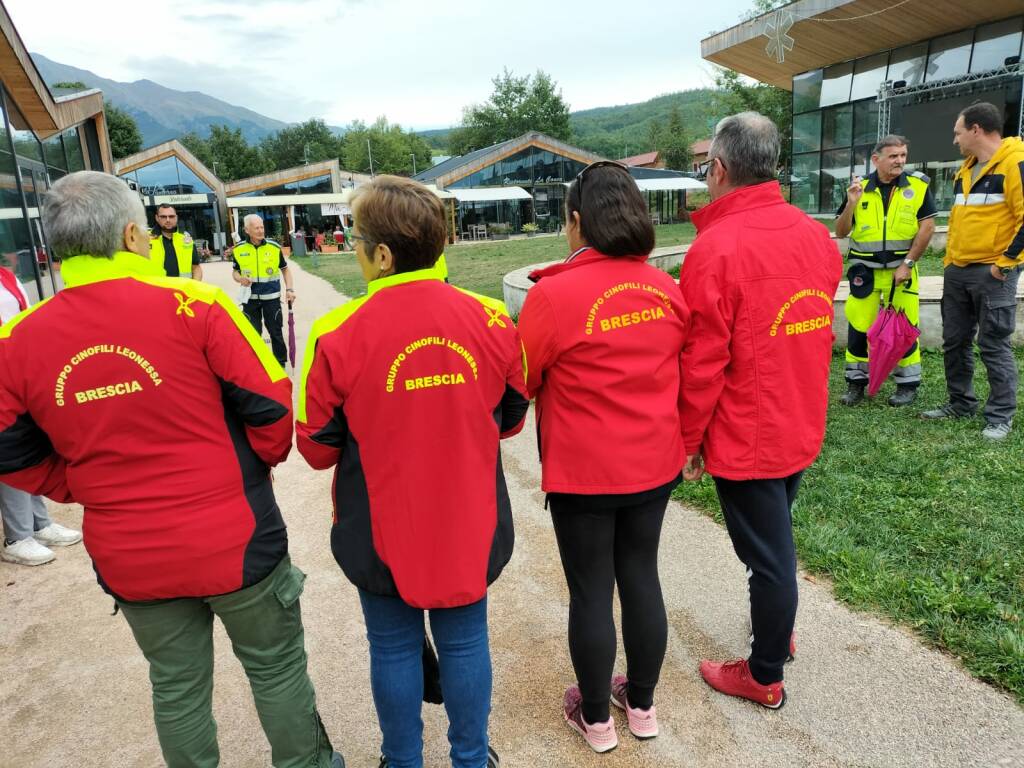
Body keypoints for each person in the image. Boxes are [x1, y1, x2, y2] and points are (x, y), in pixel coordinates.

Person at [0, 171, 344, 768]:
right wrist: (250, 466)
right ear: (135, 234)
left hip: (130, 553)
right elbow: (269, 407)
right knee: (278, 671)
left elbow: (9, 451)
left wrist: (77, 486)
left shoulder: (16, 339)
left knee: (177, 688)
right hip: (235, 536)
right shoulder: (196, 306)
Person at [297, 175, 527, 768]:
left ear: (381, 254)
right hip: (469, 520)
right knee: (466, 640)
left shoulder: (335, 332)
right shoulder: (494, 318)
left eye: (355, 240)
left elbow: (318, 449)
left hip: (379, 528)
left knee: (393, 646)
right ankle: (471, 759)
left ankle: (401, 761)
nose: (352, 251)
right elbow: (510, 420)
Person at [517, 162, 689, 753]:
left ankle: (595, 719)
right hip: (653, 465)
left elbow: (524, 377)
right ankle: (640, 704)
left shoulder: (552, 296)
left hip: (584, 473)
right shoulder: (666, 288)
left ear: (575, 221)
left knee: (591, 591)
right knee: (642, 576)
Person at [679, 113, 841, 709]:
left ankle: (765, 671)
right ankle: (778, 627)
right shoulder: (812, 233)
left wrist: (689, 439)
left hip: (749, 433)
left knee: (769, 558)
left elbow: (701, 363)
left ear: (719, 170)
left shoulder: (715, 249)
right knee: (773, 546)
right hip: (798, 415)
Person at [922, 102, 1024, 440]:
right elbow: (959, 220)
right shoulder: (965, 169)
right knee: (955, 341)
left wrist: (1004, 264)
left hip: (992, 273)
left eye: (958, 132)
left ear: (976, 129)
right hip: (958, 270)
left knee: (993, 343)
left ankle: (999, 417)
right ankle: (960, 403)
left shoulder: (1015, 162)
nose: (955, 140)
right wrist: (951, 261)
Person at [834, 135, 937, 406]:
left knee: (903, 327)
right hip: (864, 272)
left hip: (900, 272)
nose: (900, 161)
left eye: (903, 155)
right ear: (876, 160)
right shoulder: (860, 188)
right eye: (893, 156)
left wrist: (908, 264)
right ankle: (856, 383)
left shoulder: (918, 186)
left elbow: (927, 228)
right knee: (859, 327)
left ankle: (907, 384)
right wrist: (851, 203)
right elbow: (841, 231)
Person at [0, 253, 81, 565]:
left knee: (28, 443)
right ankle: (18, 537)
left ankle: (38, 523)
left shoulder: (8, 277)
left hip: (13, 370)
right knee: (10, 449)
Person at [231, 213, 295, 368]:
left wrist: (290, 289)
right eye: (256, 228)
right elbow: (235, 272)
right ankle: (255, 365)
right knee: (252, 334)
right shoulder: (238, 249)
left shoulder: (273, 247)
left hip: (271, 299)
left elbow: (285, 270)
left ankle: (280, 365)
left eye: (262, 227)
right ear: (247, 230)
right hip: (250, 300)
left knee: (276, 333)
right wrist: (240, 279)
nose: (260, 230)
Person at [150, 204, 203, 280]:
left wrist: (195, 286)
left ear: (176, 218)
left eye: (171, 216)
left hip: (182, 289)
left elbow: (196, 267)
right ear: (157, 218)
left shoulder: (186, 239)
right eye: (163, 217)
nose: (168, 220)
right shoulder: (145, 239)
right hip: (157, 290)